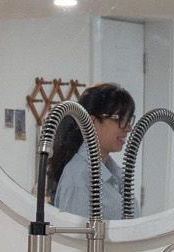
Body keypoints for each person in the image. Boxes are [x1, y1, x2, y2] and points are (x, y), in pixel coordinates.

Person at [47, 82, 135, 218]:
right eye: (121, 119)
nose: (128, 128)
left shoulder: (116, 174)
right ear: (92, 122)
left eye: (129, 120)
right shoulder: (78, 178)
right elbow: (77, 237)